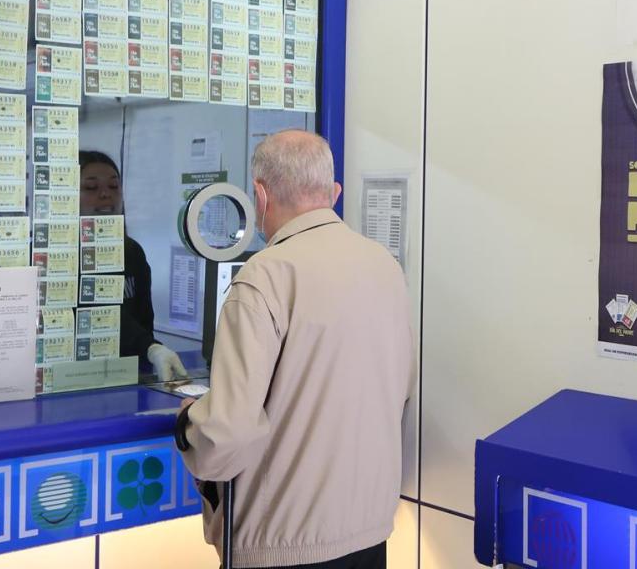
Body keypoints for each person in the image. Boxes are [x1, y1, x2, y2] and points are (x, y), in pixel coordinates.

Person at [174, 131, 414, 568]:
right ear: (333, 193)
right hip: (369, 534)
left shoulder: (264, 277)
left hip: (284, 544)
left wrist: (187, 423)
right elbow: (396, 392)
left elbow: (225, 435)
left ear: (260, 197)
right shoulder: (384, 266)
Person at [79, 150, 187, 380]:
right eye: (91, 188)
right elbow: (98, 314)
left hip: (127, 376)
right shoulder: (57, 259)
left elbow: (144, 321)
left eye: (113, 186)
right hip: (73, 378)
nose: (105, 195)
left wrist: (151, 353)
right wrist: (151, 347)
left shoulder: (132, 252)